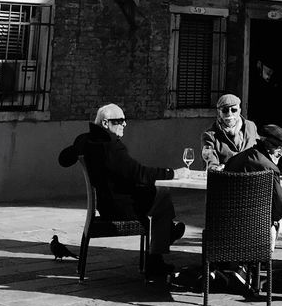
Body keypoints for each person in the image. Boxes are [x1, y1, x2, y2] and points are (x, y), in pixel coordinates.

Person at [58, 102, 189, 280]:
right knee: (162, 194)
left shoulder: (86, 140)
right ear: (105, 123)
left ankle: (164, 237)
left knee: (158, 195)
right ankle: (158, 253)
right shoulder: (110, 147)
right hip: (122, 207)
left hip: (106, 205)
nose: (124, 124)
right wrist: (172, 173)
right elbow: (139, 173)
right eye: (120, 121)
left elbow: (63, 160)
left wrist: (77, 148)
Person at [223, 122, 282, 245]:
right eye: (280, 148)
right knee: (275, 223)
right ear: (267, 145)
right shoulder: (270, 168)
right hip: (257, 229)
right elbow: (280, 204)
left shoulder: (234, 160)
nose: (281, 154)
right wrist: (274, 220)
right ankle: (261, 261)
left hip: (224, 225)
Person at [200, 92, 258, 169]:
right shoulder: (210, 136)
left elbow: (259, 152)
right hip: (227, 177)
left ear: (239, 111)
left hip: (252, 176)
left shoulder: (251, 126)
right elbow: (211, 165)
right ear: (219, 112)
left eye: (234, 110)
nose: (229, 114)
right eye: (225, 110)